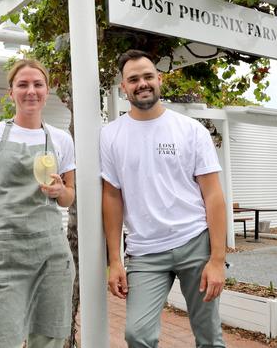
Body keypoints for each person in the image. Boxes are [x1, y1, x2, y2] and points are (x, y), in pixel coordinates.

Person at [101, 49, 227, 347]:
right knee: (137, 335)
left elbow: (213, 195)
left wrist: (218, 259)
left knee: (209, 336)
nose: (141, 83)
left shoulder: (191, 130)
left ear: (159, 79)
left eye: (147, 76)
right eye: (133, 79)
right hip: (145, 251)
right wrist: (115, 260)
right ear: (123, 87)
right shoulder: (110, 135)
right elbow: (112, 197)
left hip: (194, 241)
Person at [0, 59, 76, 348]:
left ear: (47, 90)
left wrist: (59, 191)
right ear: (11, 92)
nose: (31, 91)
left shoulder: (61, 139)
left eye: (38, 84)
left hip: (52, 255)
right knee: (1, 340)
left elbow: (69, 197)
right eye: (23, 84)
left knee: (50, 338)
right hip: (4, 256)